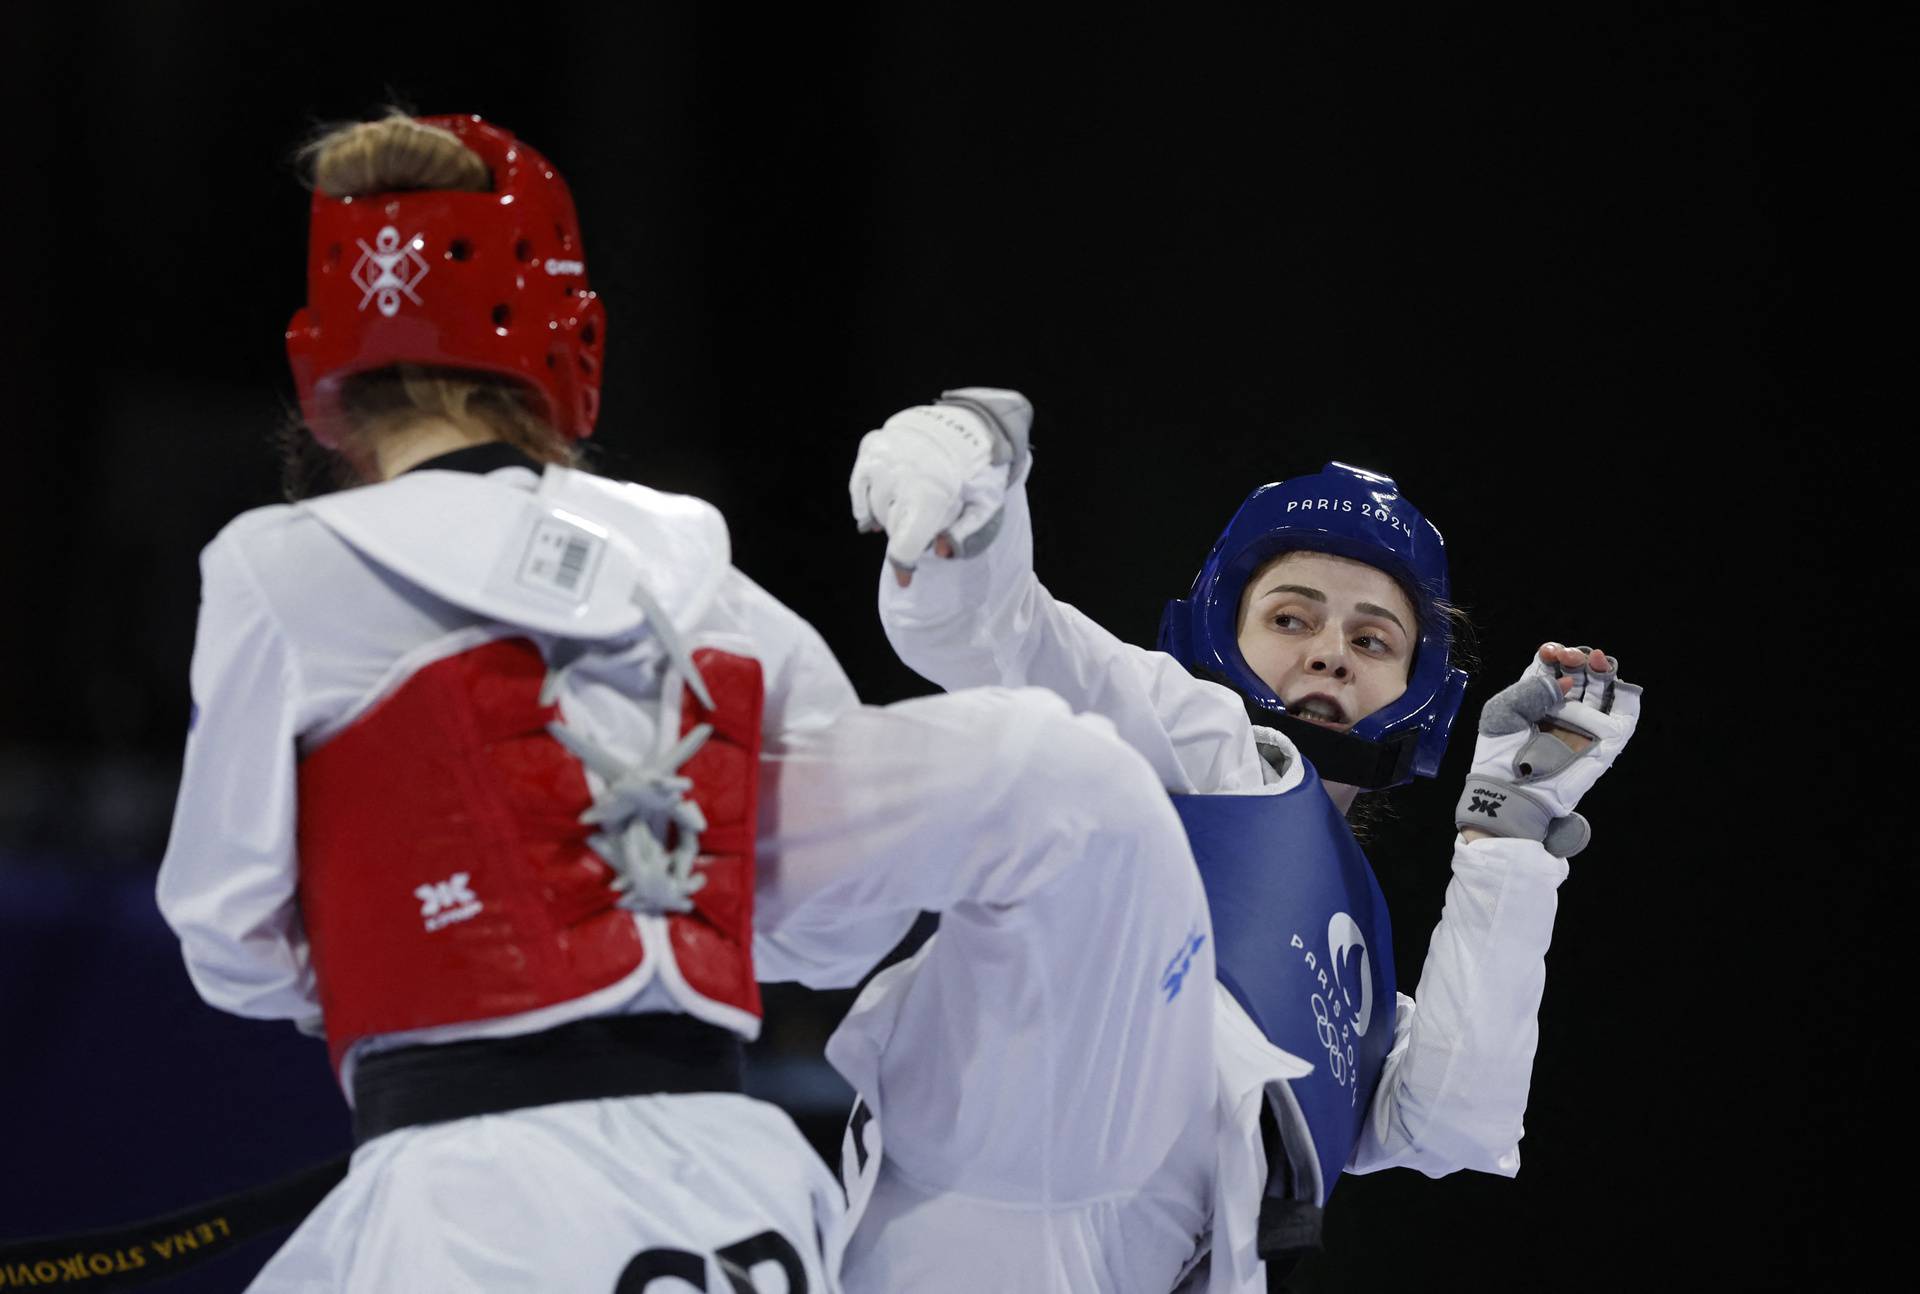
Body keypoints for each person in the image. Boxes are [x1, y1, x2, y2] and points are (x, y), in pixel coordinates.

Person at [155, 119, 1208, 1293]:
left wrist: (413, 952)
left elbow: (229, 935)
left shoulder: (281, 567)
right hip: (736, 1206)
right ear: (570, 338)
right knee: (1056, 772)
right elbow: (833, 930)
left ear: (326, 368)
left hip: (467, 1205)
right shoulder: (699, 571)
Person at [836, 389, 1641, 1292]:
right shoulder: (1192, 744)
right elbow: (1001, 633)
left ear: (1423, 694)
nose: (1331, 652)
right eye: (1291, 619)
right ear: (1216, 639)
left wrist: (1510, 841)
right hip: (974, 1216)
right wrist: (971, 495)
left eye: (1373, 639)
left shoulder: (1351, 959)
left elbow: (1452, 1120)